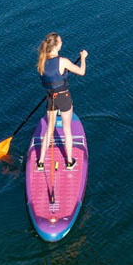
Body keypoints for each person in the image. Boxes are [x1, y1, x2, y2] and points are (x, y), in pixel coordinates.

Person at [35, 32, 87, 171]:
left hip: (50, 99)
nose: (62, 42)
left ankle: (40, 162)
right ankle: (69, 162)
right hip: (63, 98)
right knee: (67, 129)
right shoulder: (63, 61)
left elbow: (50, 80)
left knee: (49, 130)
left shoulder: (41, 61)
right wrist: (83, 58)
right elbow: (81, 72)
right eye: (60, 41)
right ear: (56, 45)